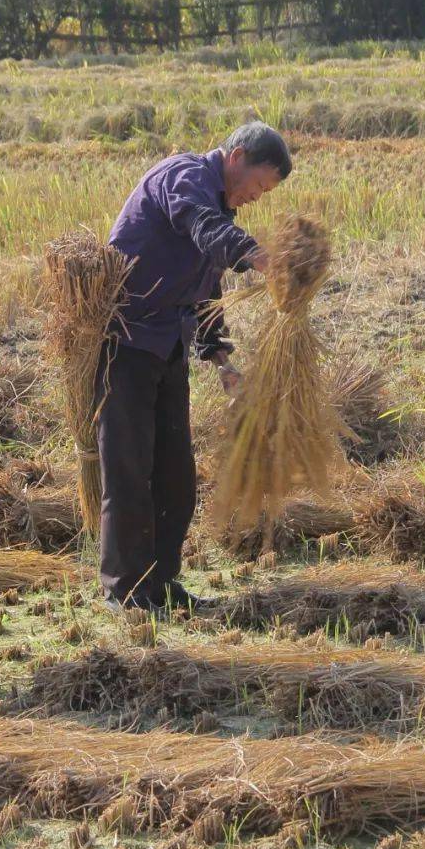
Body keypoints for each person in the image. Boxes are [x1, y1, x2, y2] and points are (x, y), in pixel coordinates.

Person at [98, 122, 291, 613]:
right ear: (237, 156)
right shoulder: (184, 178)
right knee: (128, 471)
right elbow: (204, 228)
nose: (256, 197)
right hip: (126, 343)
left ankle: (162, 583)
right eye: (259, 185)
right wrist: (257, 255)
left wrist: (219, 356)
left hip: (168, 347)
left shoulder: (218, 208)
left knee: (175, 477)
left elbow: (204, 289)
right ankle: (125, 592)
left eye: (265, 193)